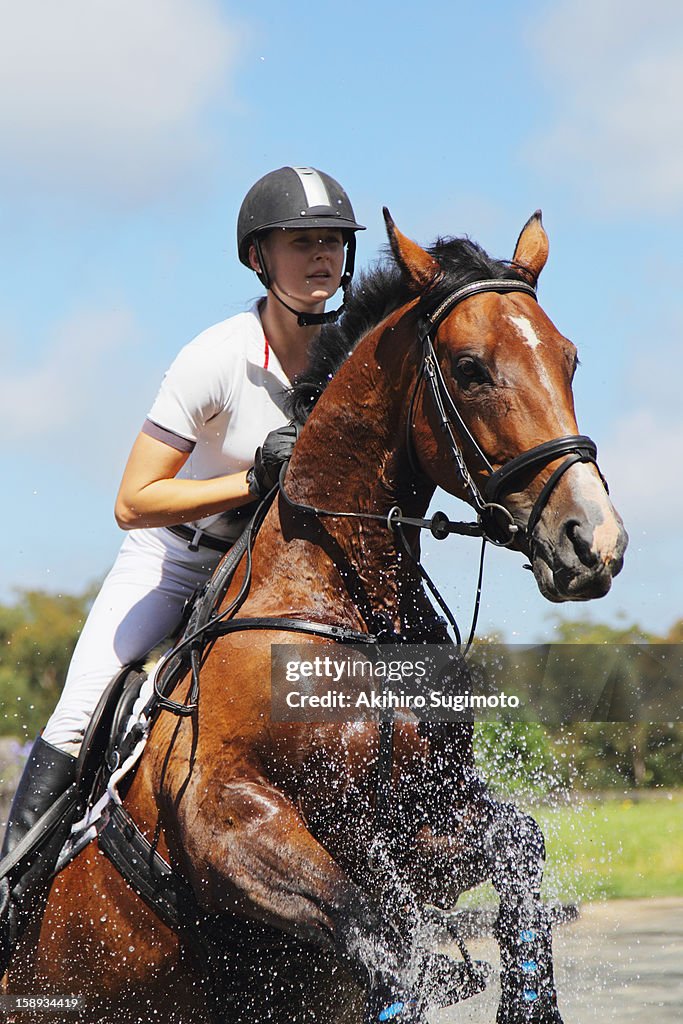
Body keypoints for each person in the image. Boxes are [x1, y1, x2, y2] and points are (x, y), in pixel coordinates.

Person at [0, 166, 365, 966]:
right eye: (301, 242)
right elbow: (133, 500)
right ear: (258, 257)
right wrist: (250, 478)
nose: (322, 257)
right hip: (174, 564)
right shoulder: (216, 358)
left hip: (277, 580)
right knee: (78, 712)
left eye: (333, 241)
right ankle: (8, 907)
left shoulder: (351, 361)